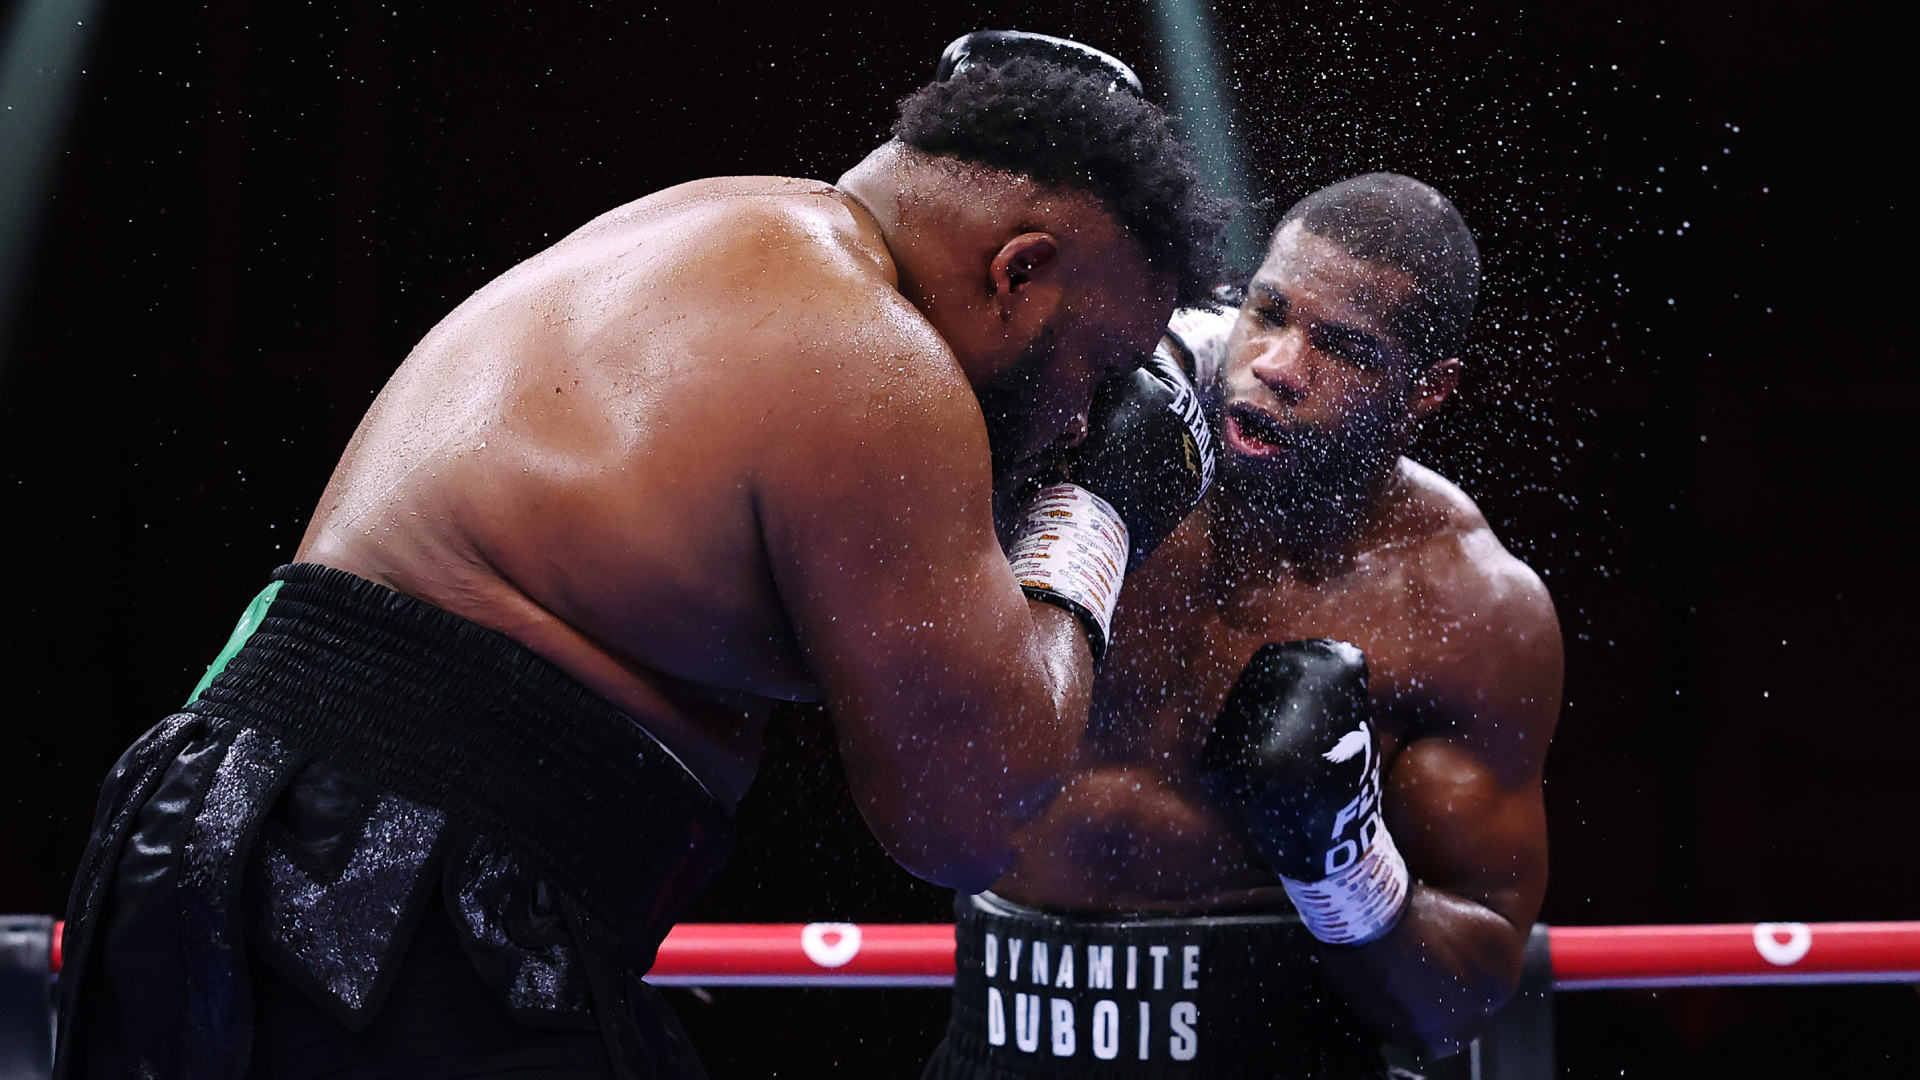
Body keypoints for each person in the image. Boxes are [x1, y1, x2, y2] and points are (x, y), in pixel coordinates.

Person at [53, 34, 1226, 1080]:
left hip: (209, 823)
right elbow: (968, 815)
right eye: (1096, 361)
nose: (1080, 416)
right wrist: (1098, 509)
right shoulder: (879, 360)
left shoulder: (711, 228)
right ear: (1018, 268)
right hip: (388, 879)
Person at [923, 173, 1563, 1079]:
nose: (1279, 365)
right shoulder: (1076, 440)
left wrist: (1341, 864)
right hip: (999, 1040)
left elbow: (1459, 999)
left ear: (1430, 391)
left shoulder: (1470, 606)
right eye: (1269, 312)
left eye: (1344, 348)